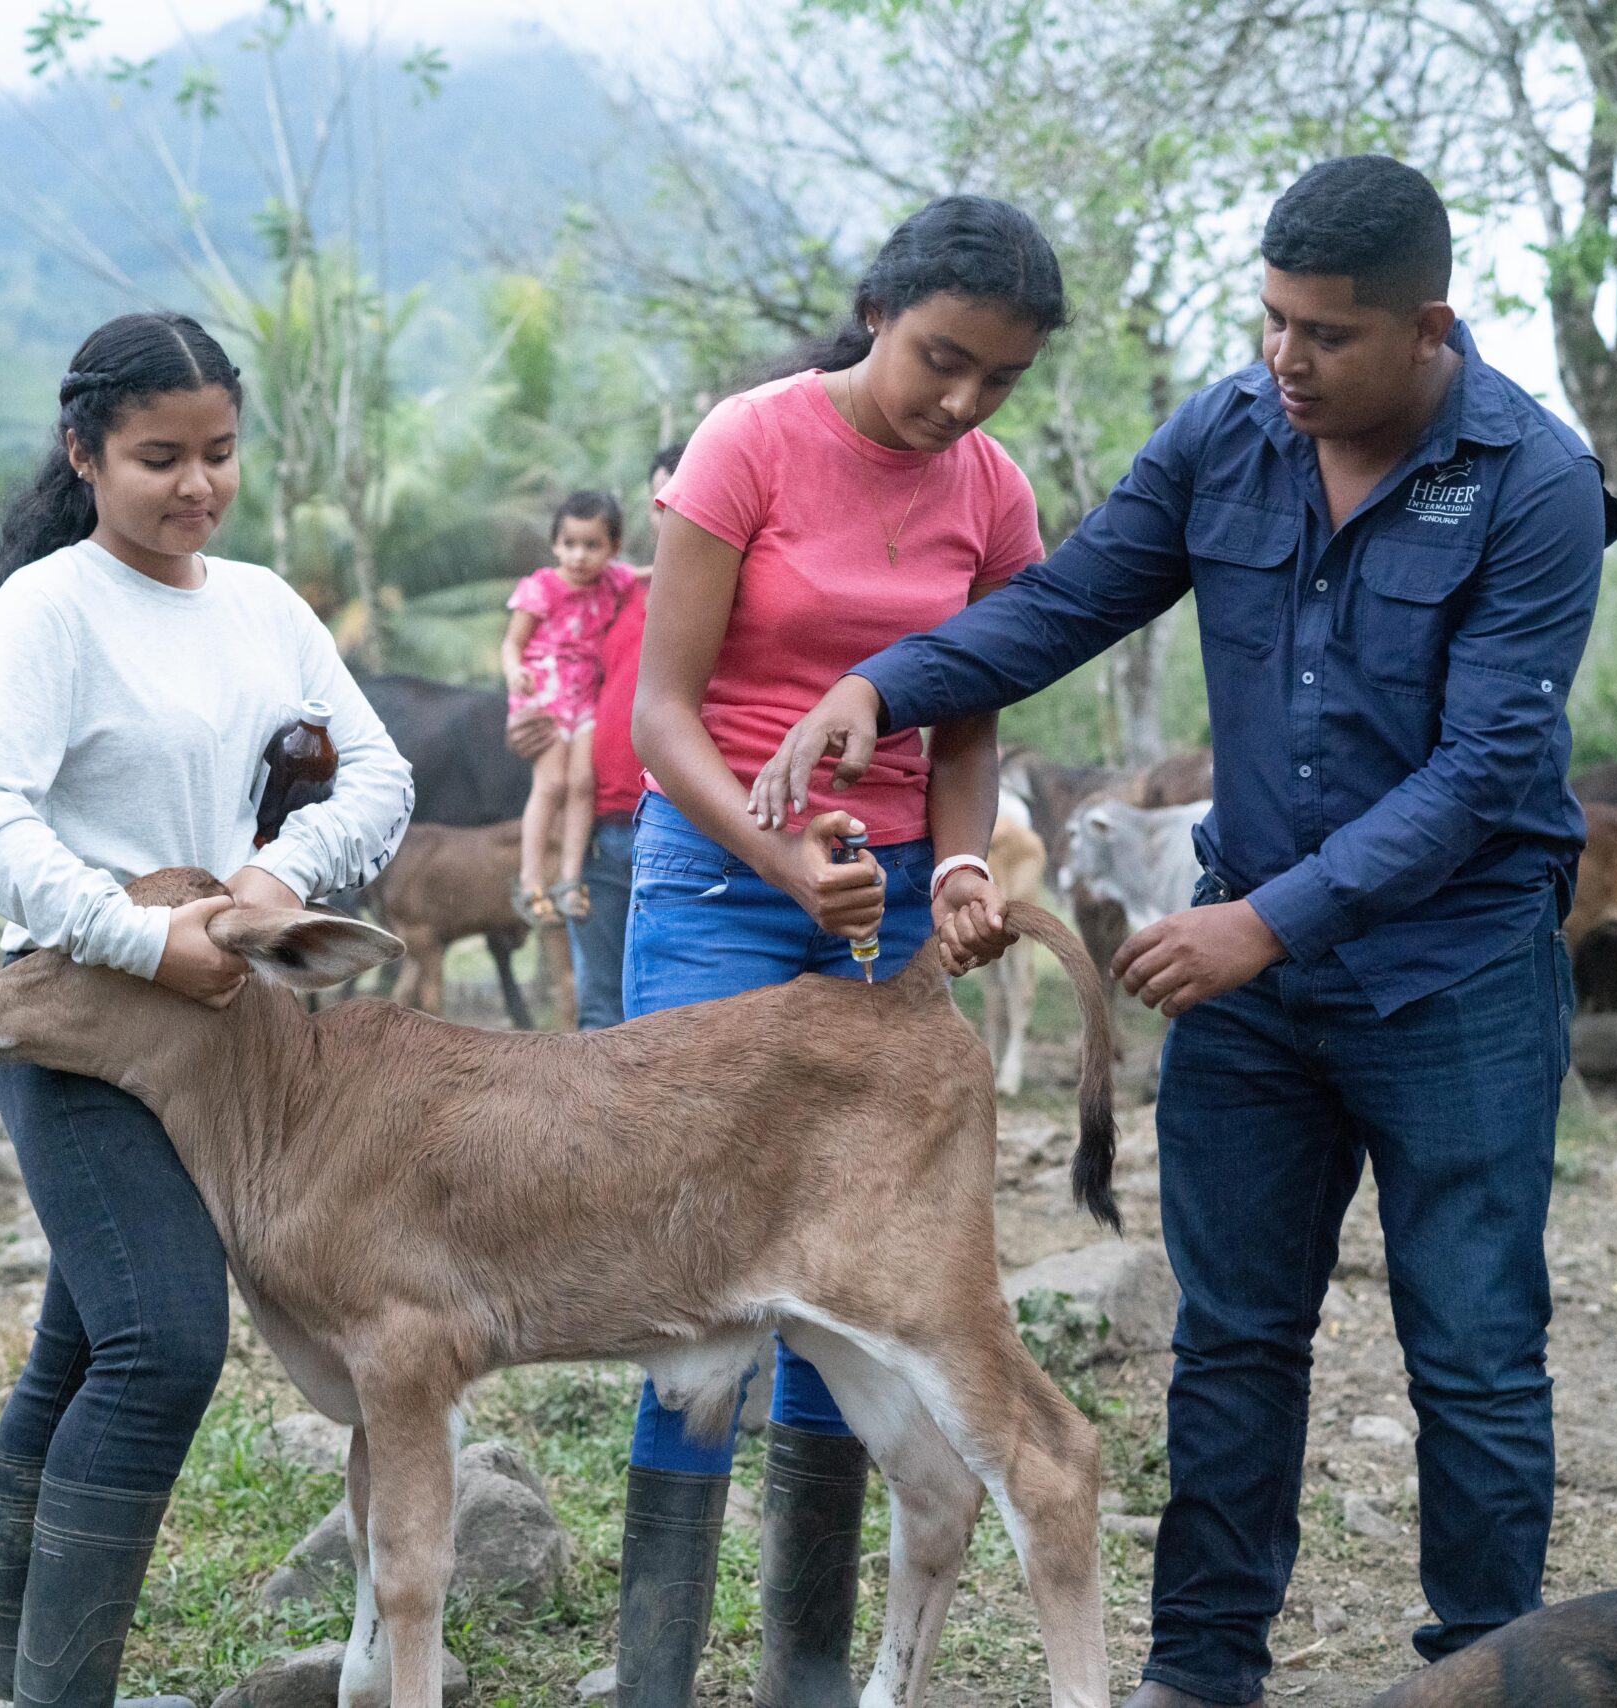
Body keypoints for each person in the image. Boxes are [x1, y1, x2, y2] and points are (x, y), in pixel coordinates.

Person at [761, 157, 1617, 1708]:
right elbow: (1070, 600)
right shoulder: (1232, 431)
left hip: (1456, 977)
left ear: (1431, 327)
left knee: (1476, 1354)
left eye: (1327, 335)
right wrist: (894, 683)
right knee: (1232, 1341)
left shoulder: (1535, 484)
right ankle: (1201, 1670)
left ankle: (1481, 1678)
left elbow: (1486, 768)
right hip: (1250, 976)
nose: (1286, 359)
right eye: (1271, 321)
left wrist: (1263, 927)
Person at [613, 194, 1066, 1708]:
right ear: (879, 310)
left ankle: (809, 1675)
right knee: (690, 1273)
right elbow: (658, 715)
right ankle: (656, 1678)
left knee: (851, 1284)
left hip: (874, 913)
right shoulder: (749, 441)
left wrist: (949, 870)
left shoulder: (994, 494)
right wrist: (776, 857)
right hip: (718, 882)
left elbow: (970, 723)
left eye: (997, 379)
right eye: (942, 358)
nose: (960, 401)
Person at [0, 311, 414, 1706]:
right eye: (157, 458)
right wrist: (135, 934)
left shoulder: (260, 602)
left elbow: (374, 777)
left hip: (221, 1018)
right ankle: (54, 1693)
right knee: (160, 1346)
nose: (195, 485)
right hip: (83, 1010)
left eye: (217, 454)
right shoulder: (49, 608)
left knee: (87, 1335)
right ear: (84, 452)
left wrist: (275, 876)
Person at [508, 443, 683, 1029]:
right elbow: (555, 662)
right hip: (603, 834)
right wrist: (524, 723)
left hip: (688, 831)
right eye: (663, 495)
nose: (674, 505)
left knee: (680, 1012)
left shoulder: (747, 588)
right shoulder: (617, 590)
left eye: (688, 488)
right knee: (601, 1008)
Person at [502, 491, 638, 926]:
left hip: (584, 695)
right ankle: (529, 880)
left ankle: (569, 878)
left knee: (582, 781)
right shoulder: (542, 587)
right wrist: (513, 673)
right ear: (556, 544)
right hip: (544, 691)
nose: (579, 556)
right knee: (552, 784)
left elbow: (647, 572)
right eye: (570, 544)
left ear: (612, 549)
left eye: (592, 545)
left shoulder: (613, 582)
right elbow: (513, 643)